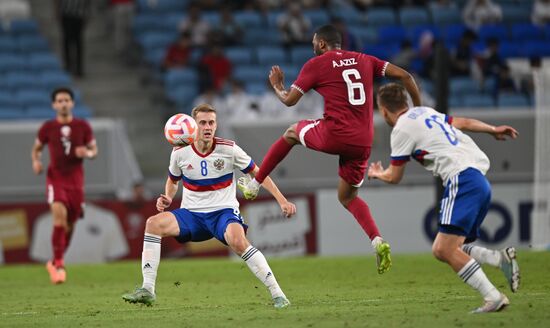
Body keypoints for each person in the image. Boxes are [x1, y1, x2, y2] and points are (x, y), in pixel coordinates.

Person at [239, 24, 422, 274]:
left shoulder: (316, 64)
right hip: (363, 140)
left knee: (291, 132)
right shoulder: (365, 59)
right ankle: (377, 240)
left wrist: (277, 86)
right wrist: (418, 110)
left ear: (322, 44)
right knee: (348, 197)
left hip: (335, 133)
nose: (312, 46)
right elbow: (406, 77)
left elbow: (290, 101)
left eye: (314, 42)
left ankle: (253, 184)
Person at [122, 104, 296, 308]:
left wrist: (282, 200)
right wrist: (168, 198)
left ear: (216, 125)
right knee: (153, 223)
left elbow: (258, 173)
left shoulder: (229, 149)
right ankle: (148, 289)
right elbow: (173, 180)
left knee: (237, 240)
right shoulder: (180, 152)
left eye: (211, 122)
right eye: (202, 122)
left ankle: (278, 295)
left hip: (223, 212)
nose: (207, 127)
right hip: (192, 215)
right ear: (193, 126)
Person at [367, 83, 520, 313]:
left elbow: (395, 175)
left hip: (462, 181)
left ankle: (493, 297)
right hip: (478, 180)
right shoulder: (426, 112)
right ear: (406, 102)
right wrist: (493, 129)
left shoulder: (400, 129)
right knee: (455, 246)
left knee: (442, 249)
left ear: (384, 110)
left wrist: (377, 173)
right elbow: (464, 122)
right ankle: (499, 260)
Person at [31, 87, 98, 284]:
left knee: (70, 224)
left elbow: (94, 150)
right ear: (54, 105)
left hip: (76, 182)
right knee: (59, 216)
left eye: (66, 100)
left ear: (72, 103)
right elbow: (36, 149)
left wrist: (87, 153)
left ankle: (54, 261)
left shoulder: (83, 126)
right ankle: (59, 263)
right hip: (56, 178)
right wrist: (36, 161)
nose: (63, 104)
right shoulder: (47, 128)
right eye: (59, 101)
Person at [55, 0, 91, 77]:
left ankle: (79, 68)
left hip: (79, 14)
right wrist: (57, 12)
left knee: (78, 41)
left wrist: (87, 14)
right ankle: (68, 66)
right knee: (67, 40)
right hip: (66, 13)